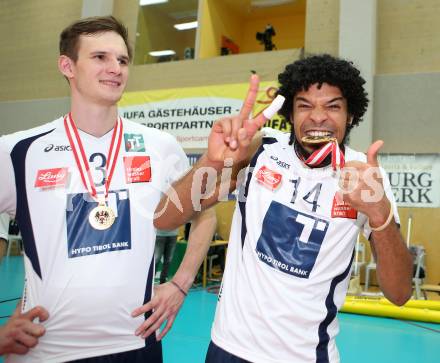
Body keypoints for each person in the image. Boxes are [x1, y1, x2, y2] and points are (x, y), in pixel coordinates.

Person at [151, 54, 413, 363]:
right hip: (230, 348)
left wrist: (380, 215)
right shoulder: (260, 152)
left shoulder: (365, 177)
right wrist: (212, 161)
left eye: (332, 106)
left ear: (351, 115)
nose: (318, 117)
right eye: (304, 105)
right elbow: (165, 218)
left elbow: (399, 294)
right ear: (289, 114)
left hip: (308, 355)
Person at [0, 16, 216, 362]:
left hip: (134, 344)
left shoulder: (159, 146)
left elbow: (204, 210)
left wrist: (180, 282)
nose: (115, 68)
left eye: (123, 60)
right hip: (45, 348)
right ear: (67, 66)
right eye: (100, 57)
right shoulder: (19, 151)